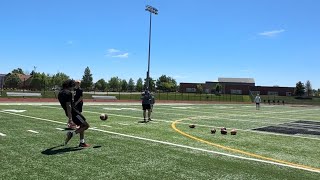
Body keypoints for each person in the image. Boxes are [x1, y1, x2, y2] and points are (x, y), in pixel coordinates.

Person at [58, 79, 90, 147]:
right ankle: (72, 134)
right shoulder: (68, 93)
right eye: (72, 86)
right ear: (70, 85)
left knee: (82, 125)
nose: (73, 88)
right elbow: (68, 105)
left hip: (69, 112)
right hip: (74, 113)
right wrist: (70, 118)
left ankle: (82, 142)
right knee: (86, 125)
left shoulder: (60, 93)